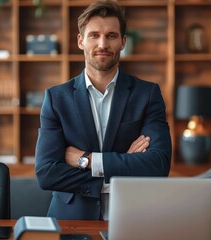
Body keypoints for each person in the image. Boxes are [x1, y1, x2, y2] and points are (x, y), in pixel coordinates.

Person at [35, 0, 172, 220]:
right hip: (71, 220)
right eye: (94, 35)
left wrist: (87, 160)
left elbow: (158, 165)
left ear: (123, 41)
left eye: (111, 36)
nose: (102, 44)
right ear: (80, 41)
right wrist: (121, 168)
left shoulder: (147, 94)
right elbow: (46, 174)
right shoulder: (56, 98)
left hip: (133, 218)